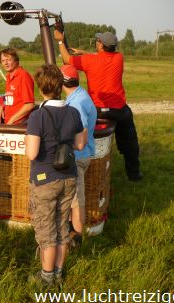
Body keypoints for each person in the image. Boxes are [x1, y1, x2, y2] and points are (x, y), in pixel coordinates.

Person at [25, 64, 85, 286]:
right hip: (68, 176)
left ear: (41, 88)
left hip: (44, 178)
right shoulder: (73, 112)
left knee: (46, 230)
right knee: (61, 227)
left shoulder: (37, 116)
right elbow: (79, 144)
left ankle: (46, 277)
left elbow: (32, 152)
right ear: (61, 86)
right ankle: (59, 273)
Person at [54, 30, 142, 182]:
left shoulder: (89, 61)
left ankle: (90, 168)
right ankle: (134, 175)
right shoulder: (119, 58)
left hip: (98, 110)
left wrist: (60, 41)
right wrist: (83, 53)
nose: (96, 42)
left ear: (101, 45)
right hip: (118, 110)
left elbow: (67, 60)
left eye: (98, 41)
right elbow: (102, 57)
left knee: (85, 135)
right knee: (130, 141)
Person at [60, 64, 97, 246]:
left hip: (77, 155)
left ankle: (77, 238)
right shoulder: (79, 96)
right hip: (82, 153)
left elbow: (79, 130)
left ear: (62, 82)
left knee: (76, 200)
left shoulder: (76, 103)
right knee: (74, 197)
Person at [0, 48, 35, 125]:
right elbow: (9, 96)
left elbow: (29, 105)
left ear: (16, 60)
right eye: (3, 61)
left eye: (8, 60)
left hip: (18, 125)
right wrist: (0, 109)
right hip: (8, 122)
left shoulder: (24, 76)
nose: (5, 63)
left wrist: (11, 121)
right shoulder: (9, 77)